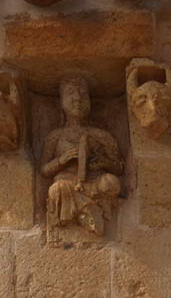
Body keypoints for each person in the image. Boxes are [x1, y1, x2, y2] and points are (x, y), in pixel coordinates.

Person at [41, 75, 123, 236]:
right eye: (71, 93)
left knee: (111, 183)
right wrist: (61, 160)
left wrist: (102, 163)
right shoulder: (55, 136)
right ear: (61, 101)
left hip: (93, 183)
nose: (78, 98)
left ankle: (88, 210)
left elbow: (118, 167)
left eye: (83, 94)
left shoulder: (101, 135)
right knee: (56, 190)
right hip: (67, 184)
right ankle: (87, 212)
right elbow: (44, 169)